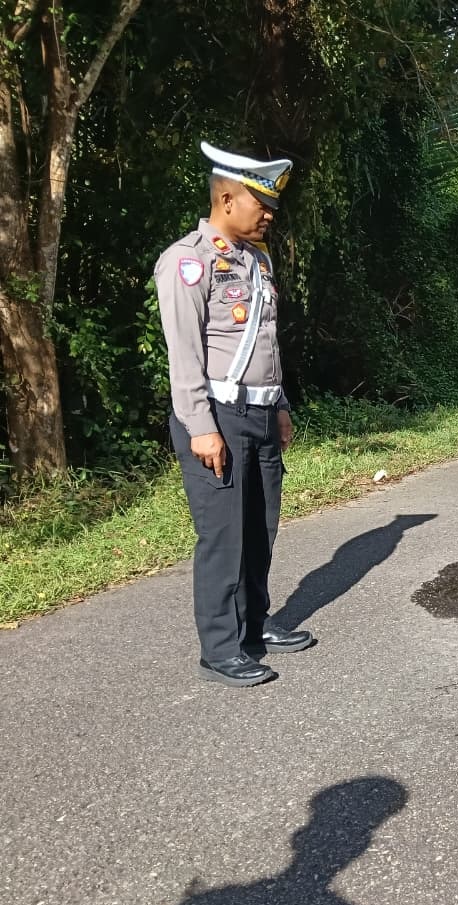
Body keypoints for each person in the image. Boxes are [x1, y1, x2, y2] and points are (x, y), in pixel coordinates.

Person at [155, 141, 314, 688]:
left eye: (271, 207)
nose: (269, 215)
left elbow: (266, 343)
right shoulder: (188, 262)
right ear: (226, 199)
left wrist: (281, 405)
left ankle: (254, 627)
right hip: (217, 415)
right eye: (260, 204)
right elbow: (184, 356)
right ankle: (220, 648)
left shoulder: (257, 261)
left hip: (262, 413)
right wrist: (201, 428)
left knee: (260, 527)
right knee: (224, 535)